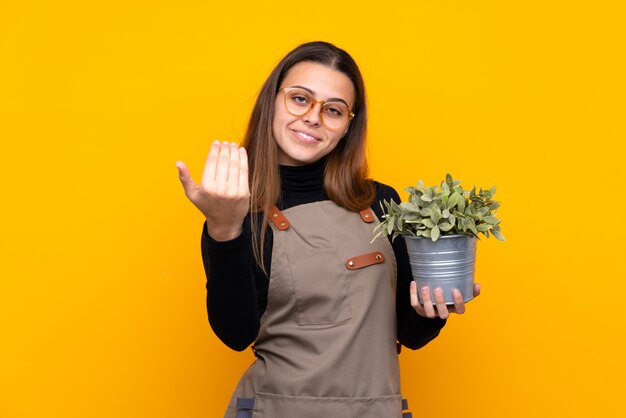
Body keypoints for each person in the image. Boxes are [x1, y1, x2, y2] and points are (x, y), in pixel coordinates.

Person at [176, 41, 480, 418]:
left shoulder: (382, 203)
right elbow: (235, 334)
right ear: (271, 101)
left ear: (348, 125)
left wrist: (434, 310)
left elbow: (411, 335)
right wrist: (223, 229)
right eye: (300, 99)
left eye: (333, 110)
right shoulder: (239, 209)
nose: (314, 118)